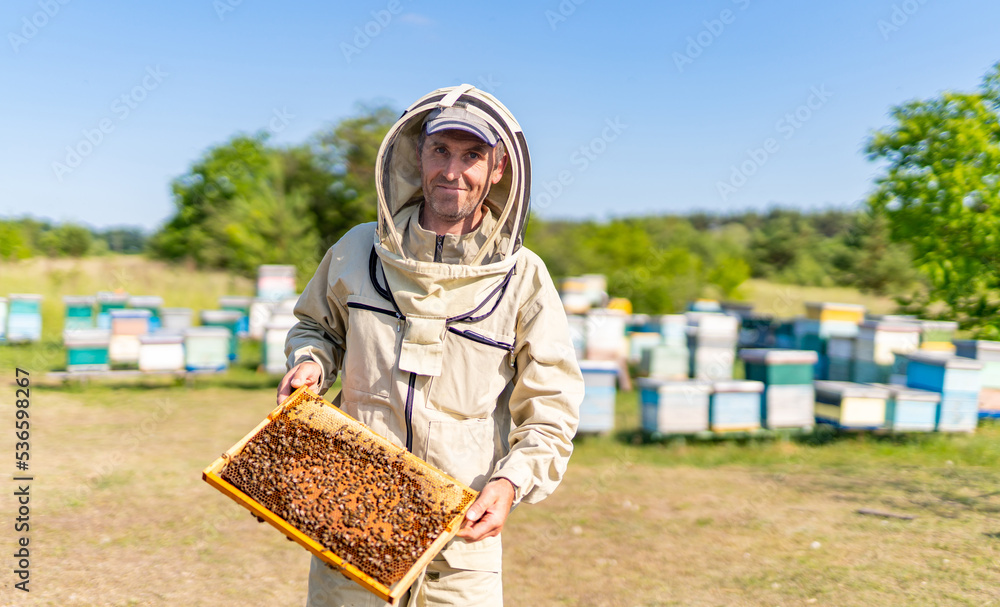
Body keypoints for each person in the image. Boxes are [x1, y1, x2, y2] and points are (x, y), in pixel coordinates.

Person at [278, 84, 583, 607]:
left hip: (459, 537)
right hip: (353, 514)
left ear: (498, 168)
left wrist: (511, 482)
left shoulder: (523, 277)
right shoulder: (356, 250)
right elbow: (317, 329)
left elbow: (551, 407)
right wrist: (309, 362)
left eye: (472, 156)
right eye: (440, 150)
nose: (452, 171)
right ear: (416, 154)